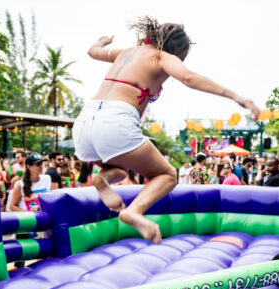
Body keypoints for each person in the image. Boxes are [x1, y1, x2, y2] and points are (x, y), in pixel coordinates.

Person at [73, 16, 259, 243]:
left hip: (84, 123)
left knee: (120, 170)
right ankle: (134, 211)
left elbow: (93, 52)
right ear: (177, 50)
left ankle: (102, 179)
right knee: (167, 175)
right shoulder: (162, 56)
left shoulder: (126, 52)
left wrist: (102, 41)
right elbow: (189, 78)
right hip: (116, 121)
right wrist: (238, 98)